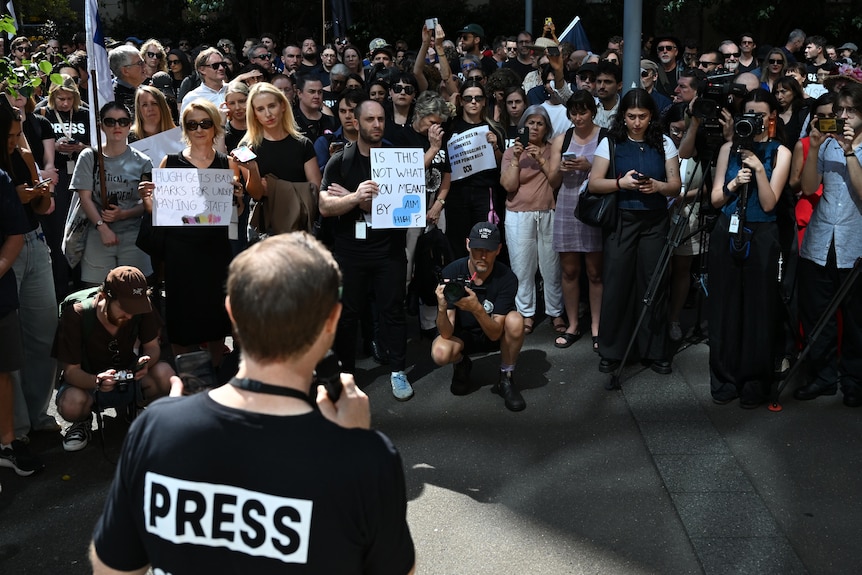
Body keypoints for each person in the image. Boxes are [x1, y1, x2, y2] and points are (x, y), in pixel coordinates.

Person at [89, 233, 416, 573]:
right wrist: (354, 447)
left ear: (231, 311)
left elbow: (111, 569)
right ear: (332, 319)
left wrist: (167, 426)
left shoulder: (155, 429)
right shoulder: (369, 458)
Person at [140, 99, 245, 370]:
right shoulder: (171, 162)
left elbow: (235, 213)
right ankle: (186, 376)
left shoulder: (226, 163)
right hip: (180, 251)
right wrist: (148, 200)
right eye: (192, 124)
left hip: (215, 249)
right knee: (182, 314)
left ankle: (214, 373)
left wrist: (238, 198)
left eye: (205, 123)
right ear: (184, 129)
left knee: (215, 313)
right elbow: (159, 213)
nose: (199, 129)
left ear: (215, 126)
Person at [318, 100, 411, 401]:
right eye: (370, 119)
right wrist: (357, 197)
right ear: (356, 123)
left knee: (393, 311)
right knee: (347, 315)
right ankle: (346, 374)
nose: (377, 124)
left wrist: (356, 200)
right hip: (350, 250)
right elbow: (324, 206)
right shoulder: (340, 161)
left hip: (389, 250)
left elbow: (404, 208)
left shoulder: (398, 159)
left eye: (381, 119)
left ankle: (398, 370)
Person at [588, 88, 682, 376]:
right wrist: (621, 184)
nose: (637, 122)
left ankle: (655, 350)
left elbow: (675, 186)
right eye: (631, 116)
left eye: (642, 116)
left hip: (655, 219)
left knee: (653, 283)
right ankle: (612, 351)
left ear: (651, 116)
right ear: (623, 117)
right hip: (622, 218)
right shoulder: (611, 142)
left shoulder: (664, 142)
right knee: (617, 283)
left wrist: (657, 186)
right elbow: (594, 183)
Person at [708, 89, 791, 407]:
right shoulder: (728, 148)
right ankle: (725, 377)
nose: (754, 120)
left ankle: (755, 381)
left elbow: (770, 203)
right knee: (725, 306)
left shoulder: (780, 152)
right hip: (727, 230)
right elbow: (716, 199)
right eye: (749, 114)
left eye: (760, 115)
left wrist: (758, 169)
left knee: (759, 308)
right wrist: (733, 184)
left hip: (762, 233)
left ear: (772, 118)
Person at [55, 266, 174, 452]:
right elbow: (71, 372)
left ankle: (134, 408)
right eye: (125, 308)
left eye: (135, 309)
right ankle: (82, 421)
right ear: (104, 296)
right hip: (88, 384)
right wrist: (96, 381)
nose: (130, 315)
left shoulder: (142, 308)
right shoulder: (76, 315)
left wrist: (146, 362)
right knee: (71, 404)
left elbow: (153, 348)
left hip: (130, 378)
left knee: (165, 374)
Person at [795, 83, 862, 407]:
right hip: (821, 240)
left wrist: (849, 151)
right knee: (817, 313)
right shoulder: (827, 144)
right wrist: (815, 146)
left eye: (851, 110)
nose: (844, 116)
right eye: (840, 111)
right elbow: (809, 187)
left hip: (855, 243)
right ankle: (822, 377)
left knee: (856, 319)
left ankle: (854, 380)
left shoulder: (850, 147)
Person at [431, 222, 526, 411]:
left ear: (498, 249)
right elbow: (446, 333)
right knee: (440, 352)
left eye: (488, 250)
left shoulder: (507, 278)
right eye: (477, 249)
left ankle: (506, 377)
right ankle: (461, 364)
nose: (482, 256)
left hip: (492, 333)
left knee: (516, 320)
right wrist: (442, 308)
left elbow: (495, 334)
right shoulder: (451, 272)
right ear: (468, 245)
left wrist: (476, 309)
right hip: (462, 335)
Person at [70, 102, 153, 286]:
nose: (117, 126)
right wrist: (102, 227)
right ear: (101, 126)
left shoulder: (144, 161)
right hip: (97, 234)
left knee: (135, 289)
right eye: (110, 121)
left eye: (123, 121)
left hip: (133, 236)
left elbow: (148, 203)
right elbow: (85, 198)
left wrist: (124, 214)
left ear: (130, 125)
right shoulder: (89, 156)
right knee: (97, 291)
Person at [500, 104, 563, 336]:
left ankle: (556, 312)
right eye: (530, 123)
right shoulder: (511, 152)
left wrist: (541, 160)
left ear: (546, 128)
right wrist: (517, 158)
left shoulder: (552, 149)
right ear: (523, 125)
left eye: (539, 123)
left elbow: (556, 182)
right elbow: (509, 186)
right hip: (518, 215)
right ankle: (526, 313)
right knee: (522, 267)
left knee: (552, 267)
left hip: (548, 212)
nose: (535, 127)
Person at [0, 153, 45, 478]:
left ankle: (11, 440)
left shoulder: (4, 175)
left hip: (4, 286)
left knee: (4, 368)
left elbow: (17, 234)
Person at [553, 91, 604, 350]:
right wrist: (560, 169)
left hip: (593, 207)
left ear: (592, 112)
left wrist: (589, 166)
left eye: (583, 112)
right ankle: (572, 324)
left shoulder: (605, 137)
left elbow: (612, 172)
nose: (578, 117)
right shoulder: (562, 139)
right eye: (573, 113)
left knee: (595, 272)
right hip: (567, 205)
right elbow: (552, 181)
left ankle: (597, 326)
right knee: (569, 270)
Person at [239, 83, 321, 229]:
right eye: (260, 109)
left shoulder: (303, 144)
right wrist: (252, 169)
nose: (268, 114)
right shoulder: (247, 147)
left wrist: (275, 187)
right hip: (265, 225)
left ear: (283, 106)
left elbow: (315, 190)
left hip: (299, 222)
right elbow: (257, 194)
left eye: (272, 106)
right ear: (254, 114)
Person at [39, 75, 90, 301]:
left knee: (82, 230)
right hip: (57, 180)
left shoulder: (85, 114)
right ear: (52, 96)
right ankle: (60, 290)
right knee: (58, 233)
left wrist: (81, 147)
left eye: (69, 99)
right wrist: (55, 147)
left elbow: (98, 146)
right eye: (61, 98)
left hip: (82, 177)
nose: (65, 103)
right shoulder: (43, 113)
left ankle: (82, 287)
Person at [445, 80, 505, 257]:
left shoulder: (494, 129)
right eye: (468, 98)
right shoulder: (450, 127)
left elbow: (503, 165)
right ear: (461, 101)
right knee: (456, 240)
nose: (473, 102)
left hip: (484, 191)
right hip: (456, 192)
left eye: (478, 98)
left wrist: (495, 146)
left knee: (484, 239)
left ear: (484, 101)